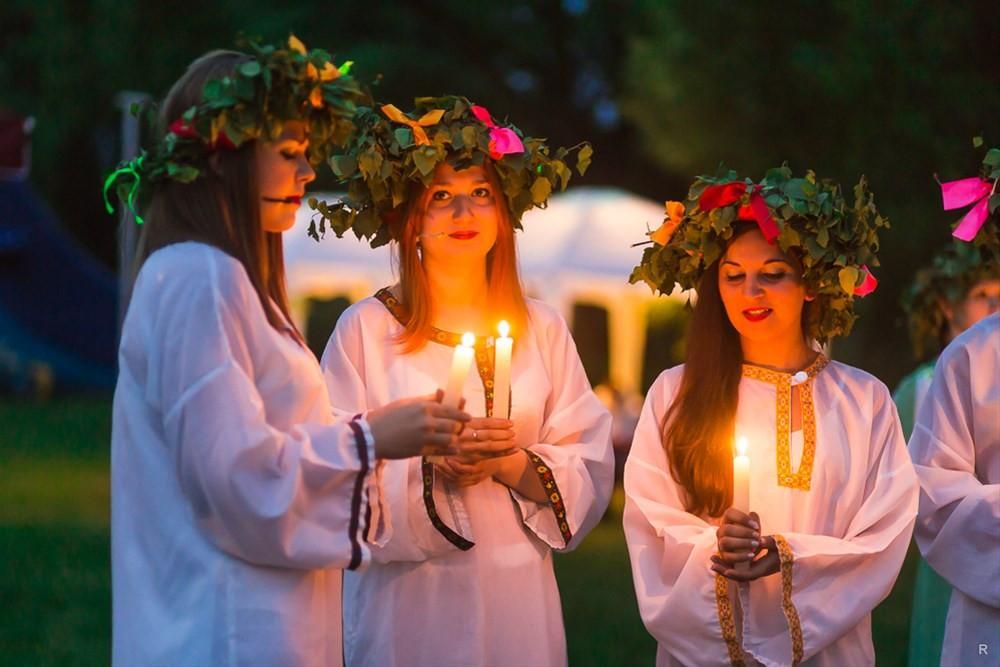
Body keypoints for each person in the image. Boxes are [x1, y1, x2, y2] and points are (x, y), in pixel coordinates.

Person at [106, 38, 469, 667]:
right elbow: (234, 478)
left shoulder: (214, 279)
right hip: (226, 630)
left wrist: (379, 435)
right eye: (292, 154)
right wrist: (371, 439)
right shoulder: (199, 278)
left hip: (249, 617)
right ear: (226, 156)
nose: (307, 174)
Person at [313, 96, 613, 667]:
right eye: (441, 198)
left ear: (504, 214)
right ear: (410, 222)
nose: (463, 215)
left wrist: (506, 463)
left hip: (516, 595)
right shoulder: (366, 330)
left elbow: (588, 454)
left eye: (481, 195)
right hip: (408, 602)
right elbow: (333, 464)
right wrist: (428, 464)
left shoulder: (542, 327)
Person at [623, 167, 918, 666]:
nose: (750, 293)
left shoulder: (865, 400)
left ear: (811, 284)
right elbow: (651, 518)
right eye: (733, 276)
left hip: (830, 649)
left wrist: (787, 557)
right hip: (711, 647)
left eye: (773, 274)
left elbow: (885, 531)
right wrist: (713, 547)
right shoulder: (676, 391)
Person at [894, 242, 999, 667]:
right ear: (947, 306)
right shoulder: (928, 382)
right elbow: (915, 488)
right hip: (962, 556)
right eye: (981, 296)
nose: (995, 304)